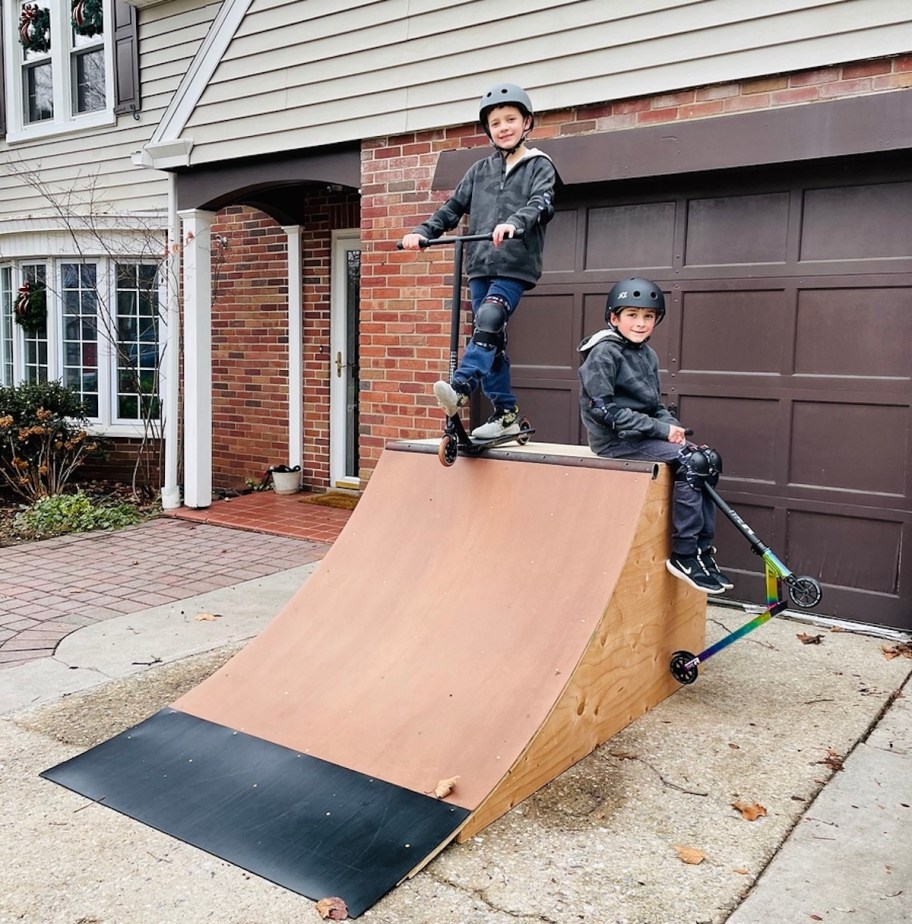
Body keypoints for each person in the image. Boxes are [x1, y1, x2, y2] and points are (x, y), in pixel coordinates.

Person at [401, 82, 559, 440]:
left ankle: (459, 387)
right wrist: (424, 231)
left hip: (514, 265)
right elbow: (452, 209)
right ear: (488, 129)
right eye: (496, 122)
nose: (503, 127)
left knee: (488, 320)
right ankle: (505, 413)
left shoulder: (540, 166)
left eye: (510, 119)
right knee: (491, 340)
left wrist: (515, 224)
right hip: (478, 265)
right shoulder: (478, 171)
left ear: (527, 122)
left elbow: (540, 204)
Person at [577, 277, 733, 594]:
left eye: (648, 316)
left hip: (640, 436)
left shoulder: (647, 355)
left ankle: (703, 551)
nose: (640, 322)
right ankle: (684, 554)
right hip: (615, 442)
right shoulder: (604, 354)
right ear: (614, 318)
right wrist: (662, 430)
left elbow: (653, 406)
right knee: (692, 463)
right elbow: (603, 411)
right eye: (632, 314)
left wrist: (672, 427)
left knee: (707, 460)